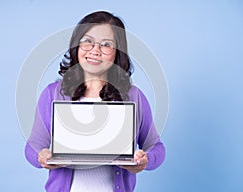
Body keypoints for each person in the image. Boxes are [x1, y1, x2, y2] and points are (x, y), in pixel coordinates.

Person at [25, 11, 165, 192]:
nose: (95, 50)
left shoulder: (133, 96)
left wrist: (145, 160)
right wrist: (41, 156)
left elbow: (156, 148)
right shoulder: (53, 93)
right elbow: (32, 148)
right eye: (87, 41)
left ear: (118, 52)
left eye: (106, 44)